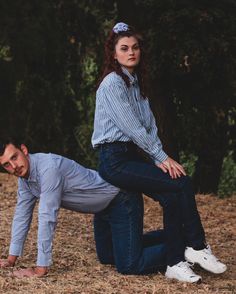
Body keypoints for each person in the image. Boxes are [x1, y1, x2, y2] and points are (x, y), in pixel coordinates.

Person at [92, 22, 227, 283]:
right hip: (114, 159)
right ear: (114, 54)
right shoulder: (112, 84)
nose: (131, 52)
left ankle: (175, 261)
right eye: (124, 48)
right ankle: (197, 247)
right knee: (182, 183)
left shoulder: (136, 84)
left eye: (135, 47)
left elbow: (149, 125)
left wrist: (158, 156)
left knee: (172, 194)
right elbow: (131, 128)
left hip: (131, 156)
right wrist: (161, 157)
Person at [0, 139, 167, 278]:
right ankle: (173, 233)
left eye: (14, 157)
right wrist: (11, 259)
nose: (14, 167)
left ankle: (180, 244)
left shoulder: (48, 169)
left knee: (129, 265)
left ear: (24, 150)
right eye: (7, 165)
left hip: (120, 198)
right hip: (102, 209)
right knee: (108, 256)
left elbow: (47, 217)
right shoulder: (25, 180)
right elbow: (22, 215)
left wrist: (40, 269)